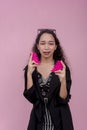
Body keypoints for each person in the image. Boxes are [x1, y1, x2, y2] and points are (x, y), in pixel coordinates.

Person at [23, 29, 74, 130]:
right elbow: (31, 98)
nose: (46, 47)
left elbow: (63, 99)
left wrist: (63, 80)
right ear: (38, 46)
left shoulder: (62, 67)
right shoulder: (31, 67)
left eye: (51, 43)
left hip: (60, 120)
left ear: (55, 47)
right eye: (42, 43)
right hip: (38, 120)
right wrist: (29, 73)